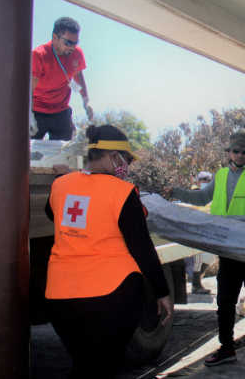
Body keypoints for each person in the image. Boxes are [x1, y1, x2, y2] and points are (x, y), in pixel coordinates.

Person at [44, 124, 173, 378]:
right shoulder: (123, 193)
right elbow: (143, 249)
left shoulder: (61, 186)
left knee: (83, 366)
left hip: (61, 298)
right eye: (126, 158)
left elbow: (53, 212)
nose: (128, 165)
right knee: (103, 367)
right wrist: (162, 292)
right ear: (113, 156)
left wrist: (62, 177)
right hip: (111, 298)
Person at [163, 132, 245, 372]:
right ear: (228, 152)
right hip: (227, 251)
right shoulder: (221, 174)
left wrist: (235, 222)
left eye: (244, 152)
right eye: (235, 150)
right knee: (225, 303)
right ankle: (227, 348)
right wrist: (176, 192)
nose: (239, 155)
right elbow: (203, 197)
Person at [31, 17, 91, 141]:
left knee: (67, 151)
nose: (72, 46)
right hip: (36, 111)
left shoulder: (77, 53)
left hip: (61, 111)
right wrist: (28, 115)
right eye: (68, 42)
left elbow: (77, 75)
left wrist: (86, 100)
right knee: (26, 152)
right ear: (55, 38)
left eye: (76, 42)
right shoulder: (39, 55)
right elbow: (29, 89)